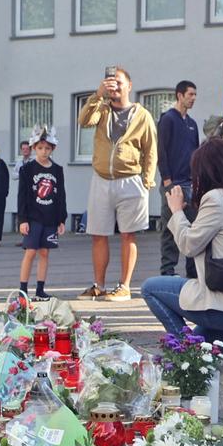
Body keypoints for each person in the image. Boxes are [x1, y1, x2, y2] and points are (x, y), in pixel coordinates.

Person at [142, 139, 223, 373]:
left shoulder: (215, 198)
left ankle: (186, 355)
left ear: (207, 169)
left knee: (150, 288)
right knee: (202, 345)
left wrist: (176, 211)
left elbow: (188, 245)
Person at [78, 66, 158, 300]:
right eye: (110, 82)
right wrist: (97, 94)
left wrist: (147, 181)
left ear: (129, 86)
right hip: (101, 179)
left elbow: (151, 149)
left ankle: (124, 286)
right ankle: (99, 285)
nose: (114, 86)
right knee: (98, 234)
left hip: (131, 180)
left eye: (119, 82)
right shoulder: (101, 109)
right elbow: (84, 121)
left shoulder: (142, 115)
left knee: (128, 235)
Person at [18, 127, 68, 300]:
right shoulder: (27, 169)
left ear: (52, 149)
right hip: (33, 218)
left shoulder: (57, 170)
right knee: (30, 251)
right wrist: (23, 219)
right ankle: (22, 291)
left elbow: (61, 194)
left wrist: (62, 219)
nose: (44, 151)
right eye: (40, 148)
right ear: (33, 148)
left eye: (47, 148)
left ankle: (40, 289)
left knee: (45, 252)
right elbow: (22, 196)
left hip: (50, 217)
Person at [158, 81, 202, 277]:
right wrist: (167, 180)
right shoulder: (168, 119)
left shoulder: (192, 124)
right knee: (171, 228)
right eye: (190, 94)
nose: (193, 98)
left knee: (193, 228)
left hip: (191, 183)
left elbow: (196, 153)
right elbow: (161, 151)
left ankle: (192, 273)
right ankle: (168, 271)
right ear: (179, 95)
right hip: (173, 183)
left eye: (195, 95)